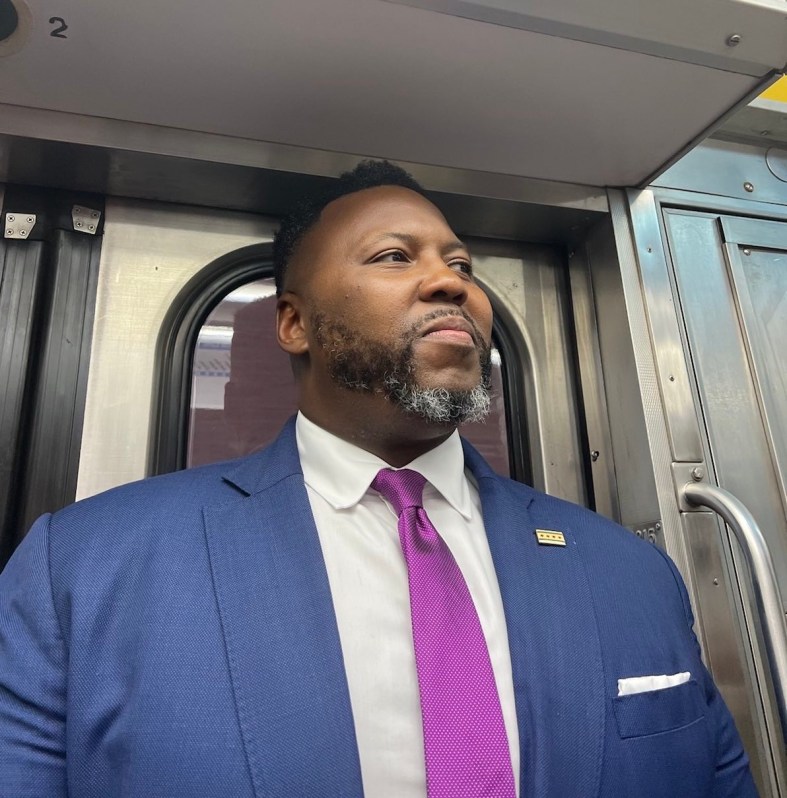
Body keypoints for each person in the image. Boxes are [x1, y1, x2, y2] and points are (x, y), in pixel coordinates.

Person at [0, 161, 756, 797]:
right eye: (395, 257)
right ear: (293, 323)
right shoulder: (86, 567)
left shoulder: (628, 572)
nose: (449, 282)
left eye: (461, 265)